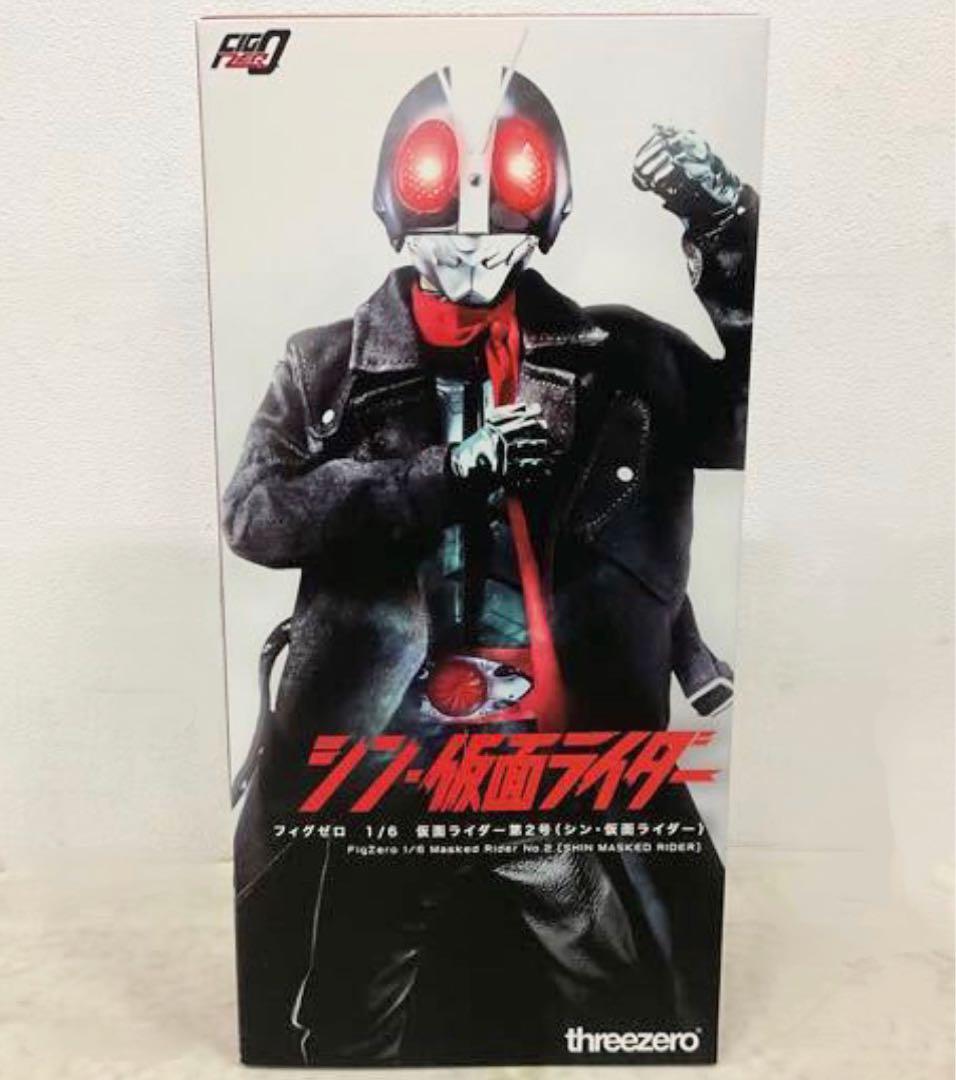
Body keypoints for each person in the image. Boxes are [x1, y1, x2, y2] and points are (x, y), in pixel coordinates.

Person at [223, 64, 758, 1065]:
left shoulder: (621, 357)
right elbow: (253, 517)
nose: (471, 242)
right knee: (340, 1019)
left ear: (545, 208)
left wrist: (725, 223)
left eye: (502, 208)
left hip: (569, 757)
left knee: (636, 1004)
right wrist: (438, 476)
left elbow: (748, 418)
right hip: (380, 766)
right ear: (396, 203)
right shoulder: (323, 366)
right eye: (442, 208)